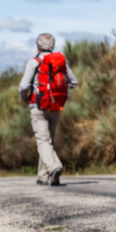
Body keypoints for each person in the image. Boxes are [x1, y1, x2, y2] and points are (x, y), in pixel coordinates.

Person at [18, 32, 78, 186]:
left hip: (38, 106)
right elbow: (74, 82)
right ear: (52, 45)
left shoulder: (34, 62)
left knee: (43, 141)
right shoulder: (60, 62)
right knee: (48, 141)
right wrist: (59, 92)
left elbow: (24, 86)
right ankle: (43, 176)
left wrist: (25, 98)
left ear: (38, 46)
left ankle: (54, 167)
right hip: (56, 106)